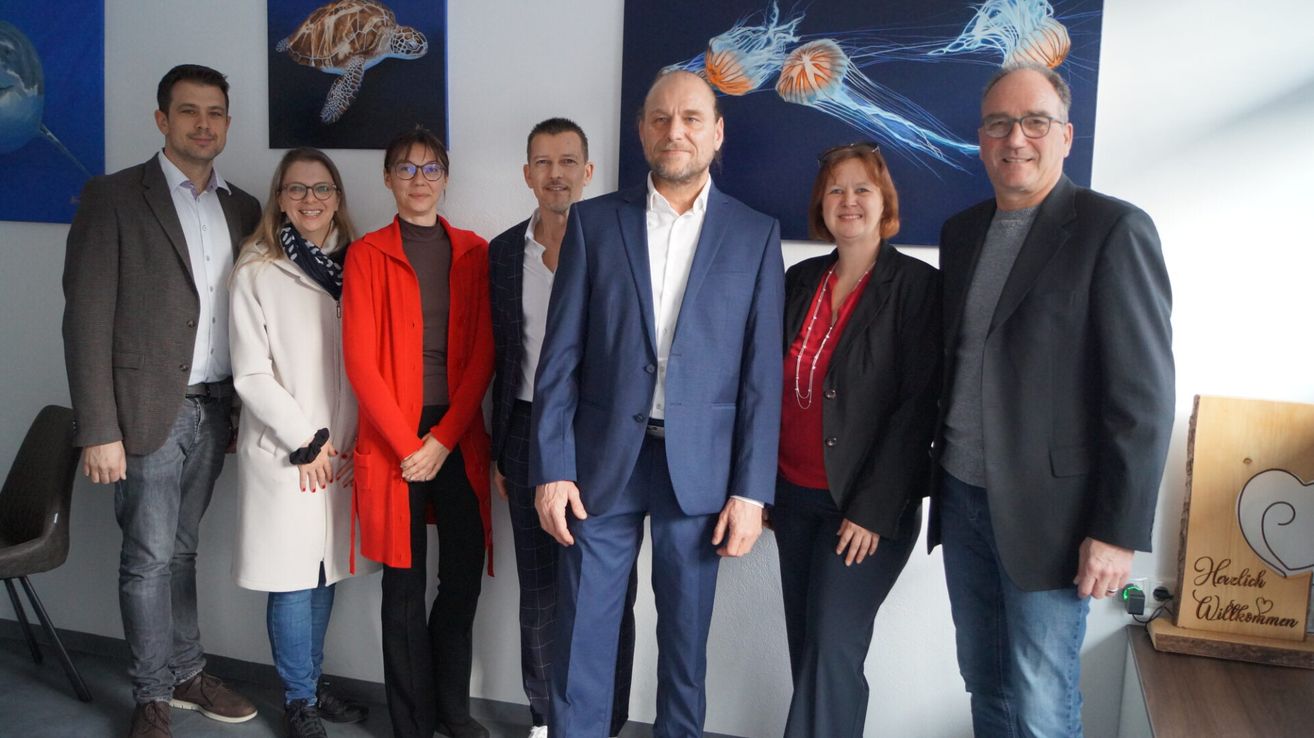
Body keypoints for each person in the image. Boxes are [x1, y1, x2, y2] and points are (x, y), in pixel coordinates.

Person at [530, 69, 785, 738]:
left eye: (692, 118)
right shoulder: (592, 223)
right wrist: (552, 467)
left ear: (716, 132)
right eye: (662, 118)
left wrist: (752, 491)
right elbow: (559, 361)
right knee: (582, 640)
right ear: (643, 130)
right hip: (599, 466)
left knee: (685, 651)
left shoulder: (756, 234)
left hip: (698, 471)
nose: (676, 131)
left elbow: (762, 375)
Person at [930, 63, 1174, 737]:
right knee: (985, 678)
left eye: (1034, 122)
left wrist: (1118, 532)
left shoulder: (1112, 230)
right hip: (962, 496)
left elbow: (1143, 400)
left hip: (1056, 518)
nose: (1016, 139)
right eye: (999, 124)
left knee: (1041, 696)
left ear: (1065, 136)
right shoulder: (962, 232)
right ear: (981, 140)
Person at [62, 64, 261, 738]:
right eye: (188, 112)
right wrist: (98, 427)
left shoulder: (242, 207)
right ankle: (151, 695)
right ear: (162, 120)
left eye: (215, 113)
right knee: (147, 557)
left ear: (227, 124)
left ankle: (186, 671)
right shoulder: (114, 197)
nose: (203, 125)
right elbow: (85, 317)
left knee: (181, 551)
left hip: (213, 410)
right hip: (144, 412)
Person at [774, 143, 940, 738]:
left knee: (831, 645)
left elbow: (917, 407)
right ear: (821, 201)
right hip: (793, 499)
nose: (848, 200)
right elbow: (766, 386)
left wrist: (873, 510)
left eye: (862, 189)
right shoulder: (799, 280)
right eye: (836, 189)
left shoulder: (917, 286)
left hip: (866, 507)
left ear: (884, 202)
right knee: (811, 651)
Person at [342, 126, 494, 738]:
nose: (419, 180)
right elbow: (360, 362)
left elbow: (486, 351)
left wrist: (443, 440)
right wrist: (412, 448)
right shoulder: (367, 253)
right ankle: (411, 725)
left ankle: (452, 715)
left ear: (447, 179)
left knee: (459, 579)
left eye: (431, 169)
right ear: (387, 178)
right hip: (394, 444)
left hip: (456, 438)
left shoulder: (474, 252)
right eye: (406, 169)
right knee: (403, 591)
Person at [489, 118, 638, 738]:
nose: (557, 174)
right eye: (544, 162)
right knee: (540, 587)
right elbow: (502, 353)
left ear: (589, 172)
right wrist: (499, 451)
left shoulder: (623, 245)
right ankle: (546, 718)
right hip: (525, 431)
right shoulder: (502, 253)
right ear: (528, 174)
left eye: (569, 161)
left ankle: (605, 719)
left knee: (608, 589)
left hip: (601, 439)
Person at [229, 148, 378, 738]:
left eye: (321, 189)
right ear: (280, 199)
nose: (310, 200)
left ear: (338, 197)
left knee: (324, 574)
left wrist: (347, 442)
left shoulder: (358, 266)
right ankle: (298, 700)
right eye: (297, 190)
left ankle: (312, 685)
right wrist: (307, 442)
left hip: (341, 451)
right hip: (290, 451)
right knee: (292, 580)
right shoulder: (257, 270)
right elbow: (251, 373)